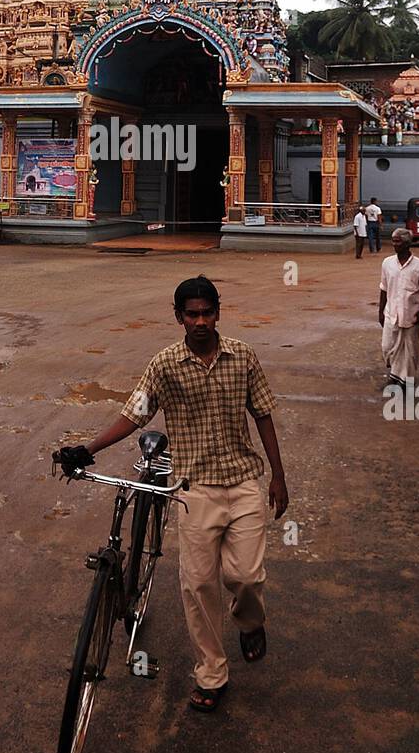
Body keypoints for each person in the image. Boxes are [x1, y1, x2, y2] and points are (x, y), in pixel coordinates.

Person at [57, 275, 288, 713]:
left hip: (242, 483)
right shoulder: (164, 365)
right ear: (179, 317)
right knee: (199, 585)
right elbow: (134, 414)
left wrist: (278, 476)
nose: (200, 321)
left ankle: (251, 622)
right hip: (194, 489)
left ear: (218, 312)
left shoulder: (243, 357)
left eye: (207, 312)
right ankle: (212, 673)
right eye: (191, 314)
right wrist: (86, 449)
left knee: (246, 577)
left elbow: (263, 415)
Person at [378, 229, 419, 389]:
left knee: (409, 350)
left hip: (411, 314)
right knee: (388, 346)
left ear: (408, 243)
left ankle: (401, 380)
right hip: (391, 313)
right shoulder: (387, 263)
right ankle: (395, 375)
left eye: (398, 241)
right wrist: (380, 312)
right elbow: (383, 289)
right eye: (393, 241)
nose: (394, 244)